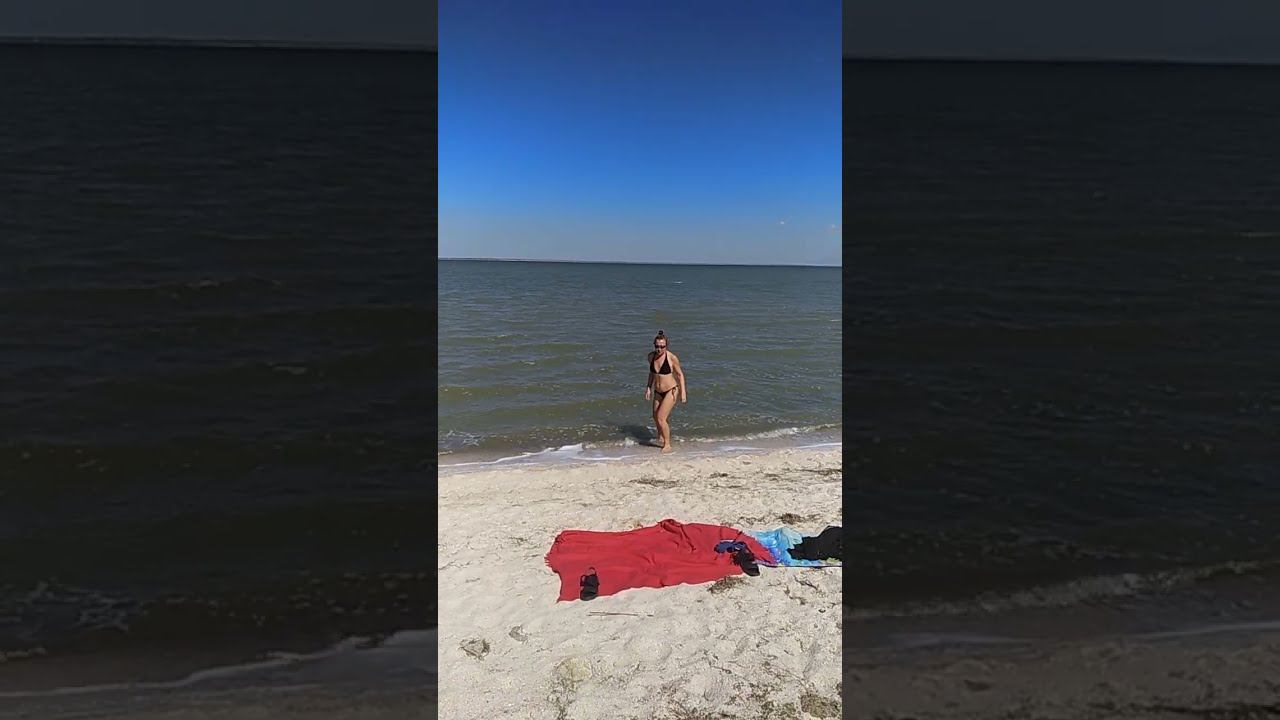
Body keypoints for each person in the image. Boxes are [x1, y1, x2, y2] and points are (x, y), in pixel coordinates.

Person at [644, 330, 686, 453]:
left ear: (666, 346)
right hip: (658, 391)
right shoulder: (651, 357)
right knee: (655, 416)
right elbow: (652, 373)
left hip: (670, 390)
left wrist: (683, 392)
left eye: (662, 347)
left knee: (661, 418)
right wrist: (648, 387)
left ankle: (667, 444)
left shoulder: (671, 358)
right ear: (654, 345)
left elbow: (680, 374)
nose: (659, 349)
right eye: (657, 346)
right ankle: (661, 436)